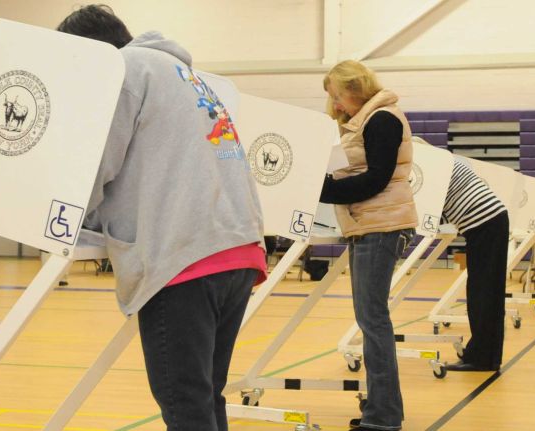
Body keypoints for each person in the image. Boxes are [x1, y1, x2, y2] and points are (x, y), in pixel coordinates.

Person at [57, 5, 267, 431]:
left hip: (185, 257)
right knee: (205, 398)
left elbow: (98, 162)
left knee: (184, 405)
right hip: (237, 248)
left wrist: (65, 207)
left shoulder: (125, 69)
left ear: (92, 51)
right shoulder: (185, 75)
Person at [319, 60, 418, 431]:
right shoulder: (369, 119)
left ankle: (383, 416)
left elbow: (376, 179)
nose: (336, 104)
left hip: (381, 225)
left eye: (337, 95)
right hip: (372, 224)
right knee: (372, 320)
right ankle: (382, 408)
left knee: (373, 321)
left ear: (353, 88)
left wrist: (324, 189)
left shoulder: (382, 119)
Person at [439, 156, 509, 372]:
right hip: (491, 221)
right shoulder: (449, 161)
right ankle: (485, 355)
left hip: (484, 224)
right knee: (488, 293)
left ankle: (481, 359)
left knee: (482, 293)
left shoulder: (435, 168)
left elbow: (432, 208)